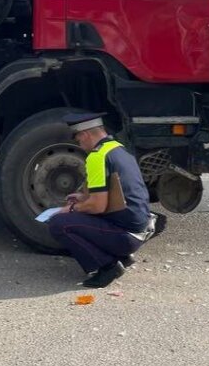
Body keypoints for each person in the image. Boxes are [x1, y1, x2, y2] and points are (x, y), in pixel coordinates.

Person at [48, 112, 165, 288]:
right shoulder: (118, 149)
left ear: (85, 134)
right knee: (82, 211)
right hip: (140, 228)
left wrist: (71, 209)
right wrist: (83, 197)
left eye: (79, 140)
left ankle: (107, 266)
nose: (80, 145)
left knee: (58, 223)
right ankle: (122, 257)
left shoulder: (97, 157)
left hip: (125, 236)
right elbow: (118, 192)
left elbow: (98, 205)